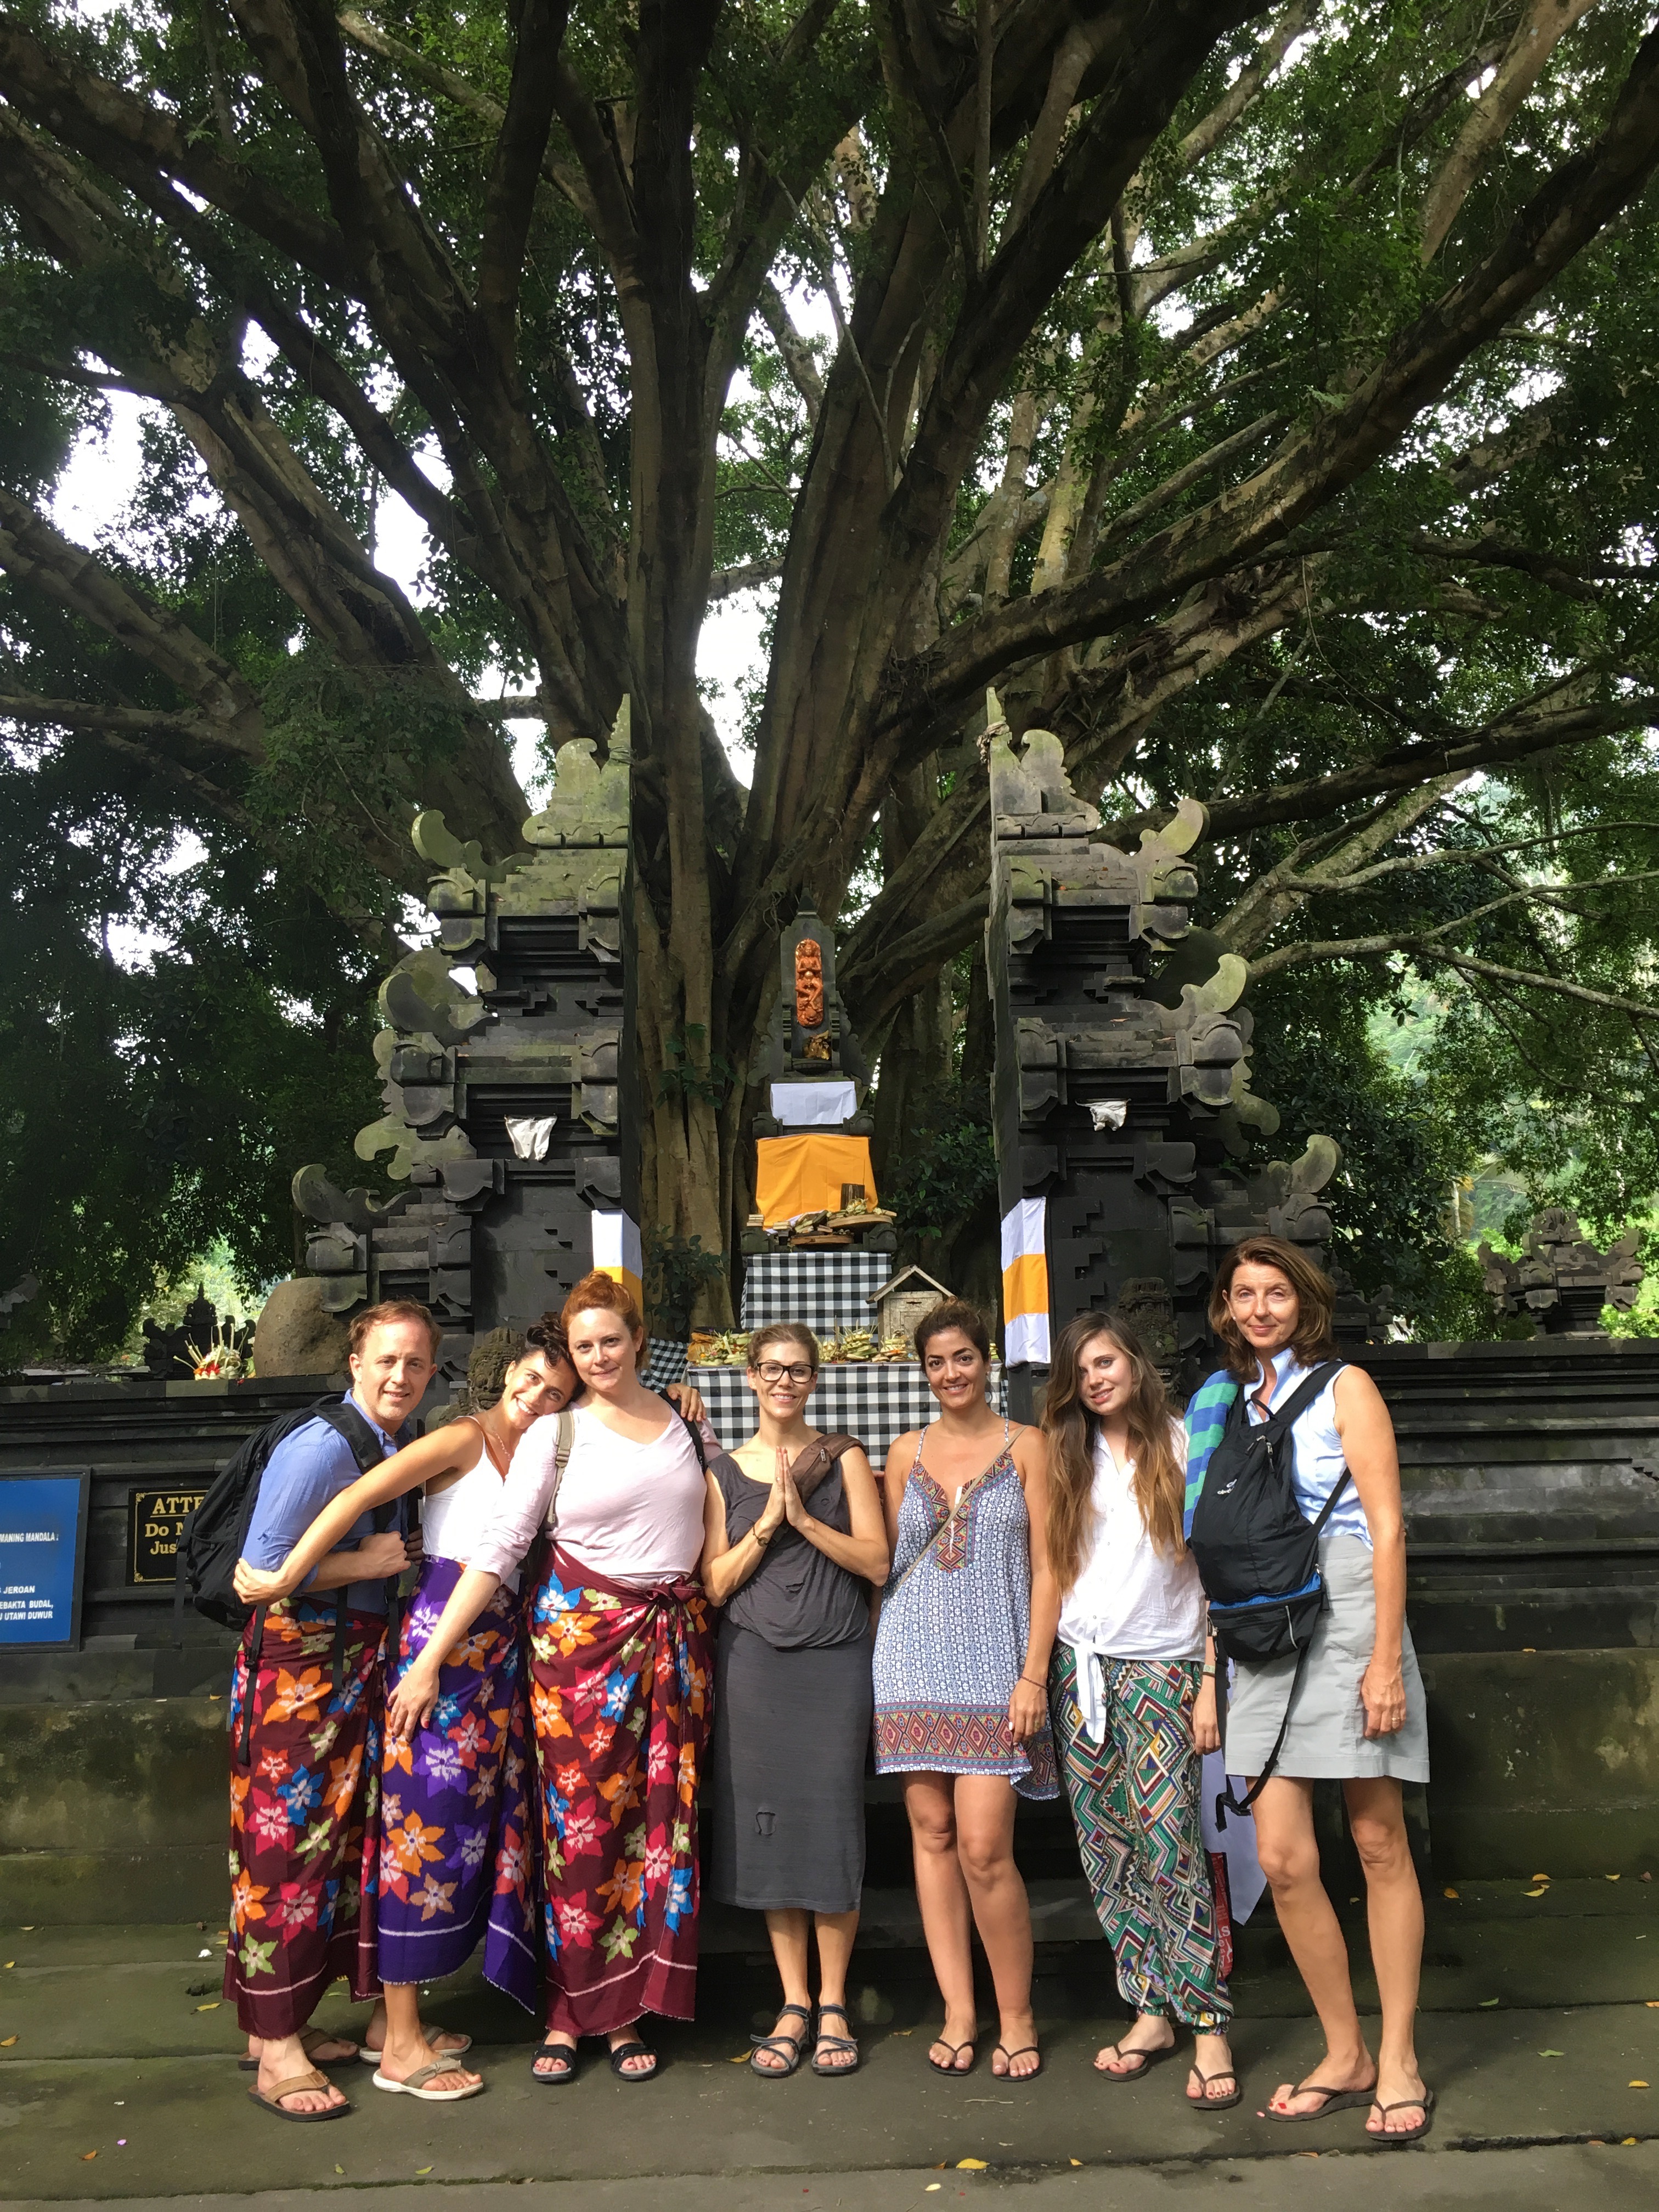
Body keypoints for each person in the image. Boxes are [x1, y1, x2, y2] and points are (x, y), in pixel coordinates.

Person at [387, 1272, 719, 2085]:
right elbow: (501, 1547)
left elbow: (715, 1519)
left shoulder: (685, 1421)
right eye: (584, 1346)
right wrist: (429, 1660)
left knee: (658, 1832)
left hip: (671, 1648)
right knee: (579, 1832)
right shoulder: (556, 1434)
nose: (599, 1357)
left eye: (612, 1341)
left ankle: (632, 2008)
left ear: (639, 1341)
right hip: (579, 1656)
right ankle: (572, 2011)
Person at [233, 1319, 578, 2102]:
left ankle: (388, 2023)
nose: (537, 1397)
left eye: (555, 1393)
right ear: (504, 1373)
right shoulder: (459, 1438)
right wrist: (287, 1573)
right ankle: (399, 2042)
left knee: (447, 1836)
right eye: (529, 1379)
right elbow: (361, 1496)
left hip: (490, 1658)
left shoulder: (533, 1453)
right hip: (435, 1658)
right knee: (414, 1836)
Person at [1193, 1237, 1431, 2143]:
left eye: (1276, 1293)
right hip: (1259, 1626)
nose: (1259, 1309)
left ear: (1305, 1302)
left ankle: (1398, 2056)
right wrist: (1211, 1671)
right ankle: (1346, 2051)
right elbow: (1214, 1546)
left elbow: (1389, 1527)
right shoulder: (1220, 1405)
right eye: (1243, 1294)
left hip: (1349, 1610)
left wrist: (1384, 1662)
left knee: (1376, 1839)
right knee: (1285, 1857)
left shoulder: (1345, 1388)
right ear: (1226, 1308)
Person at [226, 1301, 431, 2121]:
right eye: (386, 1360)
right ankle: (277, 2053)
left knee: (329, 1847)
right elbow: (258, 1572)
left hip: (345, 1666)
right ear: (355, 1364)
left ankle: (279, 2025)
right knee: (284, 1847)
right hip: (297, 1670)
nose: (399, 1377)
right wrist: (364, 1562)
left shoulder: (393, 1442)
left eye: (415, 1363)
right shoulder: (322, 1447)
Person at [1042, 1311, 1237, 2109]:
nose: (1095, 1380)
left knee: (1170, 1844)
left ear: (1134, 1362)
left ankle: (1209, 2022)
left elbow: (1219, 1568)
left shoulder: (1186, 1443)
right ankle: (1150, 2007)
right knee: (1108, 1847)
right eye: (1082, 1370)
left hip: (1164, 1667)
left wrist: (1211, 1678)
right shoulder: (1067, 1455)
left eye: (1106, 1363)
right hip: (1080, 1668)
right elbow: (1054, 1567)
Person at [871, 1298, 1059, 2081]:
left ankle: (1017, 2015)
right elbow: (886, 1563)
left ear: (988, 1361)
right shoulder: (903, 1452)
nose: (952, 1373)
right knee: (933, 1833)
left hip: (997, 1663)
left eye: (964, 1358)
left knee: (985, 1848)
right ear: (924, 1372)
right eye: (936, 1362)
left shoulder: (1029, 1445)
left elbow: (1050, 1567)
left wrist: (1034, 1673)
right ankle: (958, 2010)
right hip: (911, 1657)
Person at [701, 1322, 889, 2080]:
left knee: (831, 1823)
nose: (785, 1381)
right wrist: (769, 1523)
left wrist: (805, 1520)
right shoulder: (721, 1472)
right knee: (771, 1828)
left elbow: (877, 1562)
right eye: (773, 1369)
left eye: (799, 1370)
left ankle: (835, 2000)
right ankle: (794, 2000)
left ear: (815, 1379)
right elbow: (714, 1584)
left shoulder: (843, 1459)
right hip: (754, 1668)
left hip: (834, 1663)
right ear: (749, 1376)